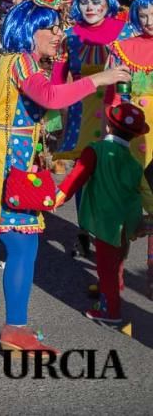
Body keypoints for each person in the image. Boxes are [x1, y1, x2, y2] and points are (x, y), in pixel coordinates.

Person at [0, 0, 130, 352]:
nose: (58, 35)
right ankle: (15, 331)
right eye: (50, 28)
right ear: (28, 30)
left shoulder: (6, 61)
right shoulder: (20, 62)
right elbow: (51, 97)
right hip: (3, 163)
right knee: (23, 246)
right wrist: (99, 79)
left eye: (58, 28)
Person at [55, 102, 151, 325]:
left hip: (106, 221)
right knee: (116, 259)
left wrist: (57, 198)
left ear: (108, 127)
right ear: (136, 136)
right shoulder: (134, 162)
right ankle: (114, 289)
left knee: (106, 266)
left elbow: (75, 179)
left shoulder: (95, 150)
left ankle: (111, 311)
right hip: (128, 220)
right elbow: (146, 193)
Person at [54, 0, 127, 159]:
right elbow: (57, 78)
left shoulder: (124, 32)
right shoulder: (69, 35)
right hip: (81, 117)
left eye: (96, 2)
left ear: (107, 3)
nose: (90, 8)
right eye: (84, 2)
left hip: (115, 110)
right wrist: (53, 115)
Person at [107, 0, 153, 207]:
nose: (148, 21)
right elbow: (119, 91)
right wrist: (113, 118)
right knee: (129, 192)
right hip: (133, 125)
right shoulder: (125, 47)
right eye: (143, 16)